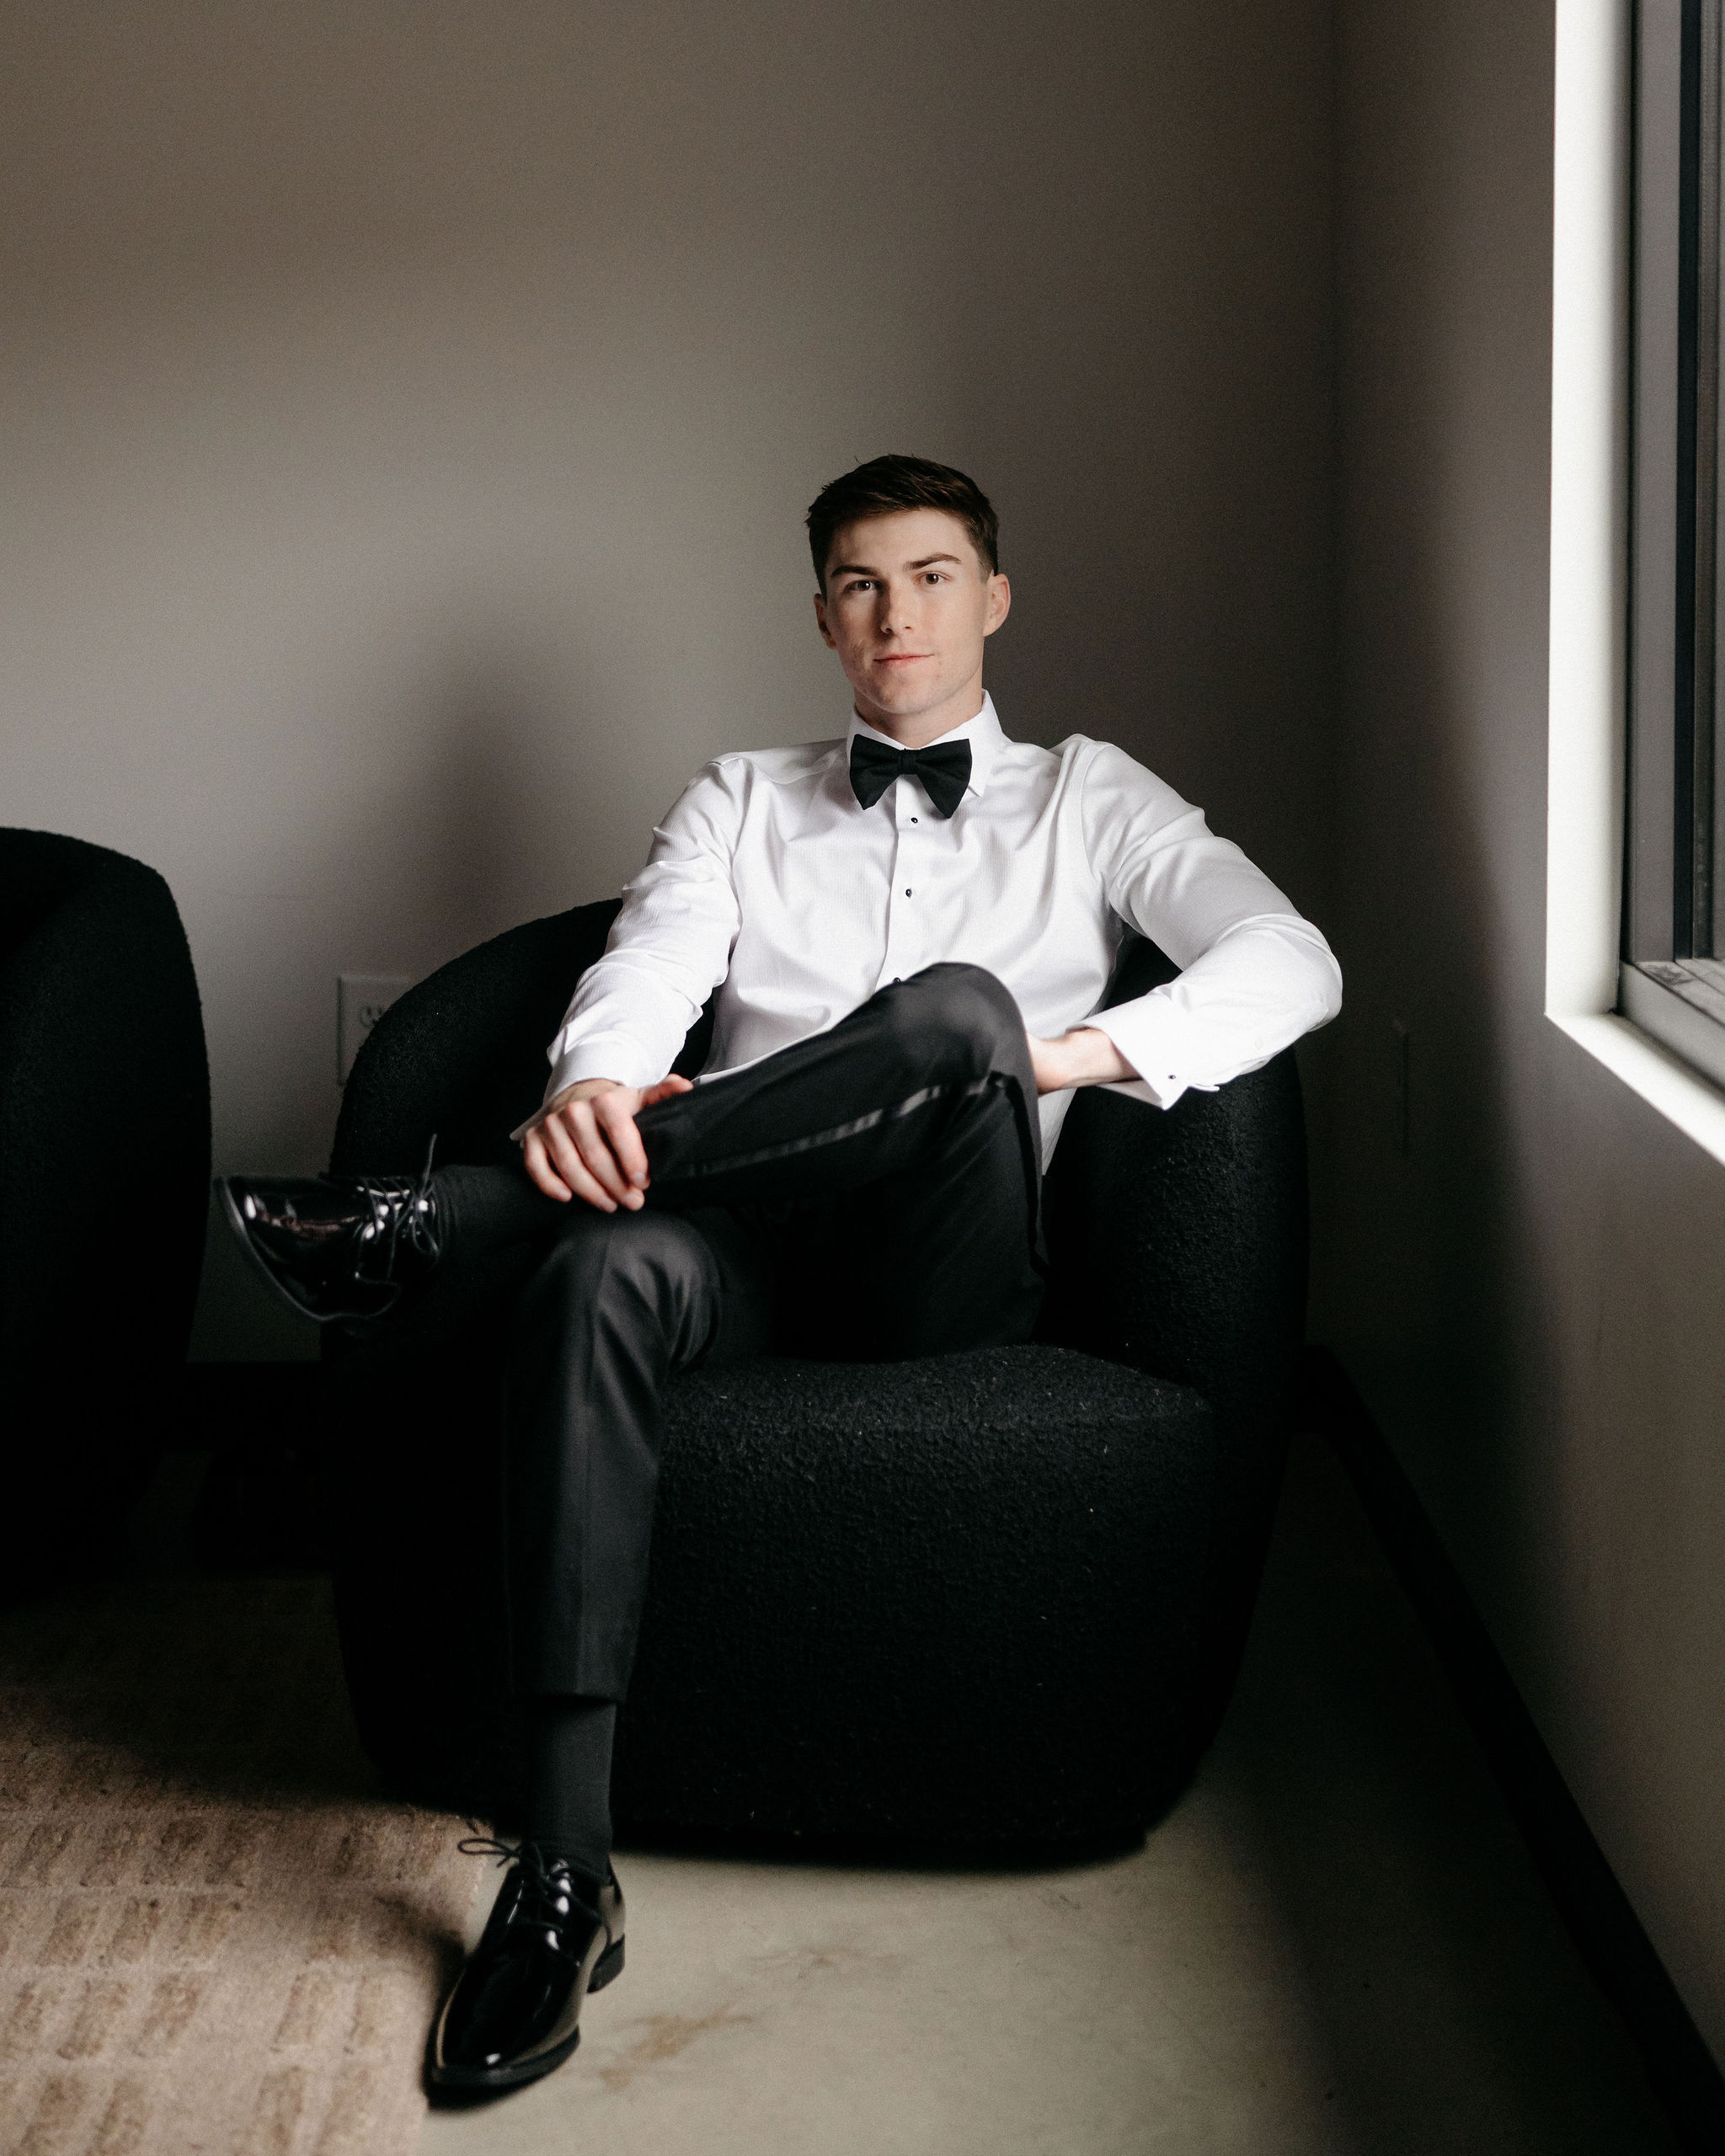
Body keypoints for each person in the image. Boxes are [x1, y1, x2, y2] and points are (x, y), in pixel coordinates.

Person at [219, 454, 1343, 2095]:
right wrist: (592, 1090)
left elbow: (1293, 960)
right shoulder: (740, 796)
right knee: (596, 1281)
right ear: (823, 616)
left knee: (960, 1012)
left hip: (948, 1264)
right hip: (738, 1239)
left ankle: (445, 1221)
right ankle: (563, 1873)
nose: (899, 615)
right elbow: (646, 966)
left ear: (994, 597)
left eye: (933, 576)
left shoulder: (1091, 795)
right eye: (863, 585)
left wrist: (1051, 1062)